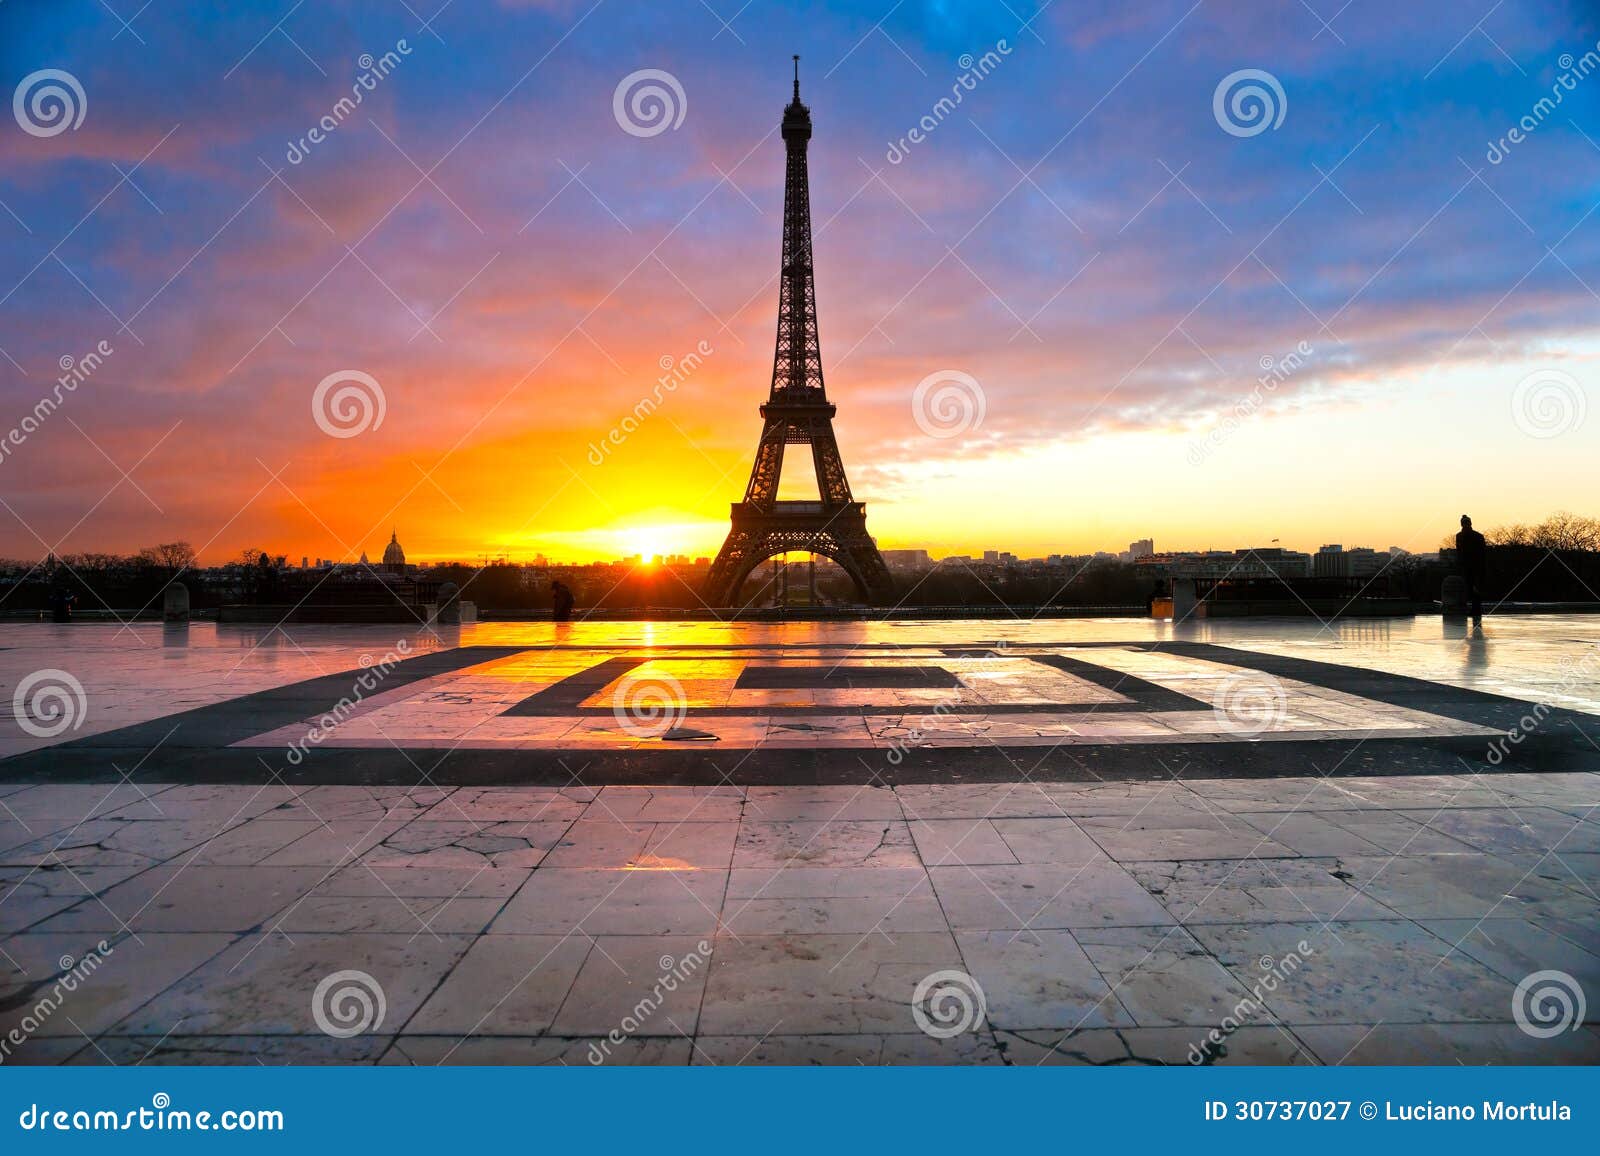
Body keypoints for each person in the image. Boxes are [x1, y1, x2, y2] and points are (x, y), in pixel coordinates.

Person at [1455, 514, 1486, 619]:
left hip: (1469, 565)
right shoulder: (1478, 536)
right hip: (1476, 565)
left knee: (1472, 588)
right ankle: (1476, 609)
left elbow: (1459, 552)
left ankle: (1474, 609)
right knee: (1474, 588)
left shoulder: (1459, 536)